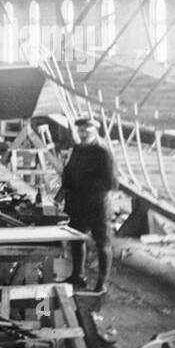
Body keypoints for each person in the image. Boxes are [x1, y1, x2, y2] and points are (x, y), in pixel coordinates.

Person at [60, 117, 118, 293]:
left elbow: (111, 183)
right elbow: (69, 172)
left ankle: (102, 283)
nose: (83, 134)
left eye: (87, 131)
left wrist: (85, 188)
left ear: (95, 131)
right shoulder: (78, 149)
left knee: (103, 243)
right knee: (77, 240)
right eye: (80, 131)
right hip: (77, 203)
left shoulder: (103, 152)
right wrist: (67, 186)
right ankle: (78, 275)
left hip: (97, 205)